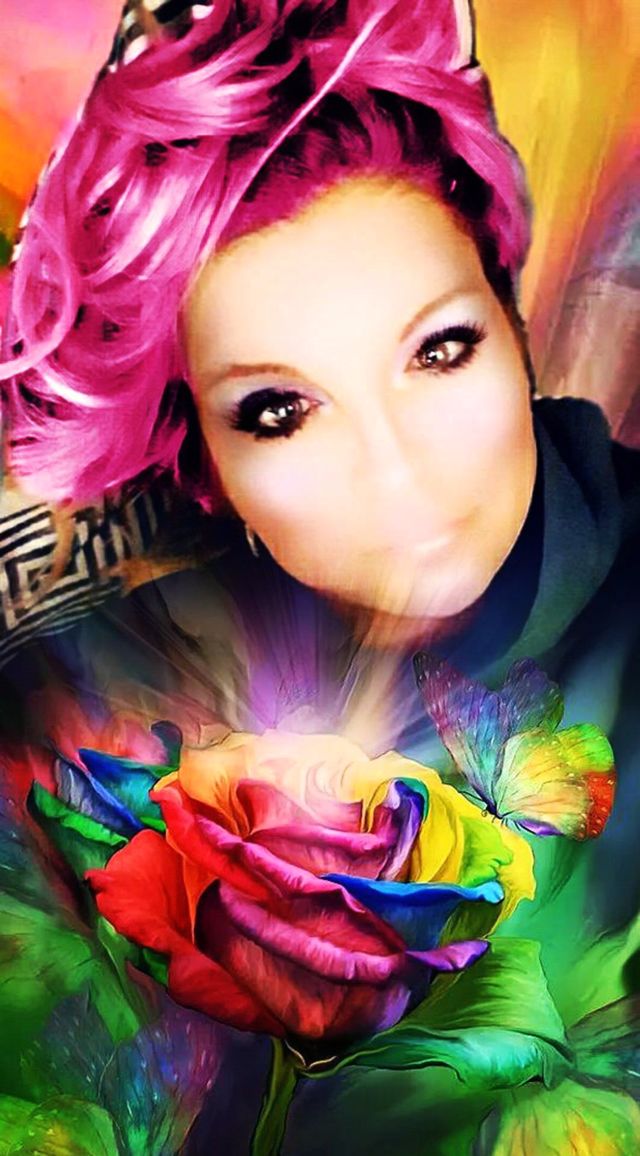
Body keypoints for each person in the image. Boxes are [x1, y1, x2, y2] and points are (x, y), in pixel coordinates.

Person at [0, 1, 639, 1152]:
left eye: (439, 349)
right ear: (203, 464)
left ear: (512, 323)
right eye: (279, 410)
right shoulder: (97, 707)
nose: (396, 474)